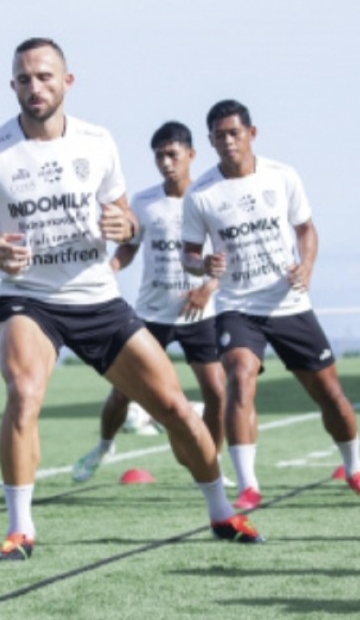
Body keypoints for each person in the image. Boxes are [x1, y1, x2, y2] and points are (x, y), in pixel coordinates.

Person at [0, 38, 262, 562]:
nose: (34, 87)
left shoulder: (97, 142)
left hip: (97, 300)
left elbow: (125, 220)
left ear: (67, 82)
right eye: (24, 79)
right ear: (13, 86)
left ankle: (222, 512)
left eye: (45, 77)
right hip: (29, 300)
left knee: (178, 410)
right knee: (23, 392)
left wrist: (124, 222)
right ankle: (20, 530)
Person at [181, 99, 360, 511]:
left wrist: (306, 267)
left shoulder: (282, 176)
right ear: (210, 141)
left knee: (329, 393)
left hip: (289, 303)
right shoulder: (201, 194)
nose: (227, 142)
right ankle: (249, 486)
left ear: (251, 134)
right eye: (219, 136)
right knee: (239, 376)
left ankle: (355, 467)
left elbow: (306, 230)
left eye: (234, 133)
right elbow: (187, 254)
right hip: (238, 306)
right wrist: (203, 263)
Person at [71, 121, 228, 485]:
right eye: (159, 156)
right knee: (124, 390)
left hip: (198, 314)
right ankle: (105, 445)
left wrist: (209, 286)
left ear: (191, 155)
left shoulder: (209, 200)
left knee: (217, 392)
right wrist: (112, 264)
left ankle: (212, 463)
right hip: (152, 313)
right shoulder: (143, 202)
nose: (166, 163)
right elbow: (129, 246)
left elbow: (227, 253)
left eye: (173, 154)